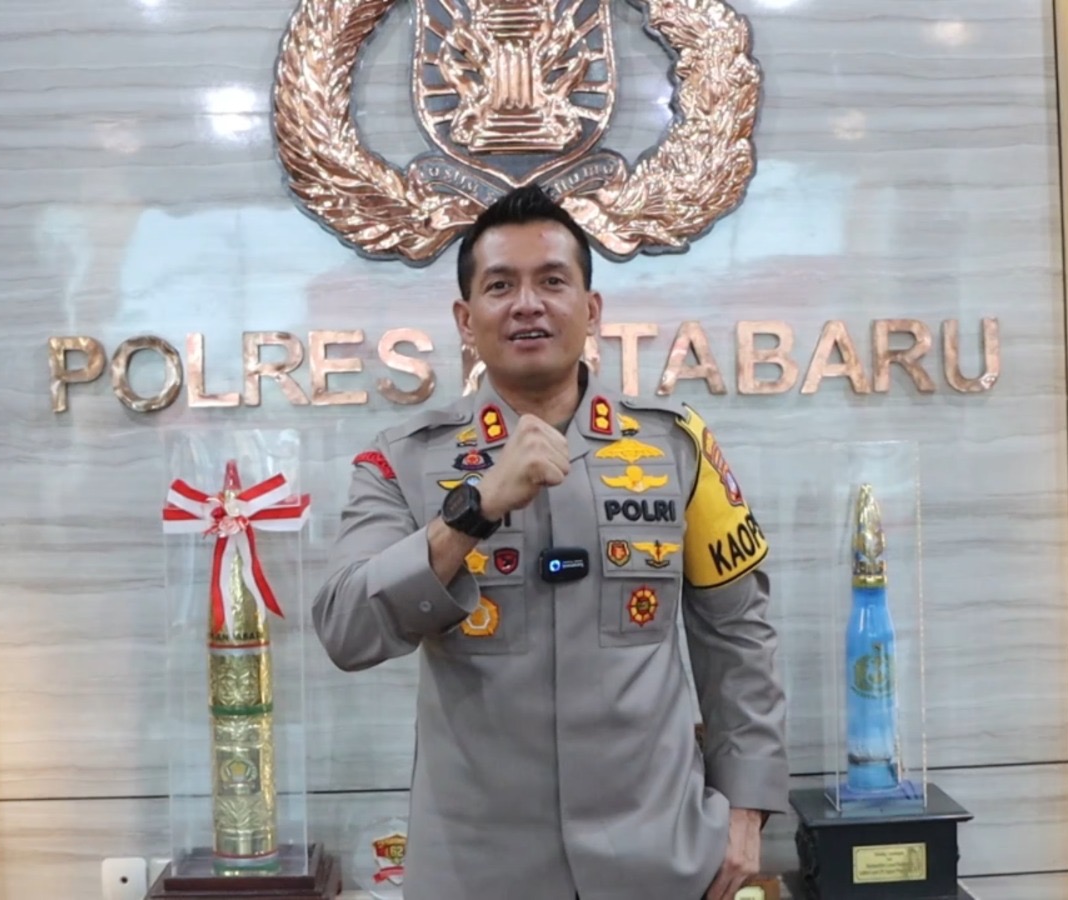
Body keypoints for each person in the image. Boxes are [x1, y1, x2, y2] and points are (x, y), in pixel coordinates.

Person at [311, 184, 789, 900]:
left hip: (659, 861)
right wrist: (471, 513)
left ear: (591, 310)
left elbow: (739, 638)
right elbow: (346, 630)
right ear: (466, 319)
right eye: (500, 285)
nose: (528, 304)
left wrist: (747, 810)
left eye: (553, 282)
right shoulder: (401, 461)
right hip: (479, 871)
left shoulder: (677, 448)